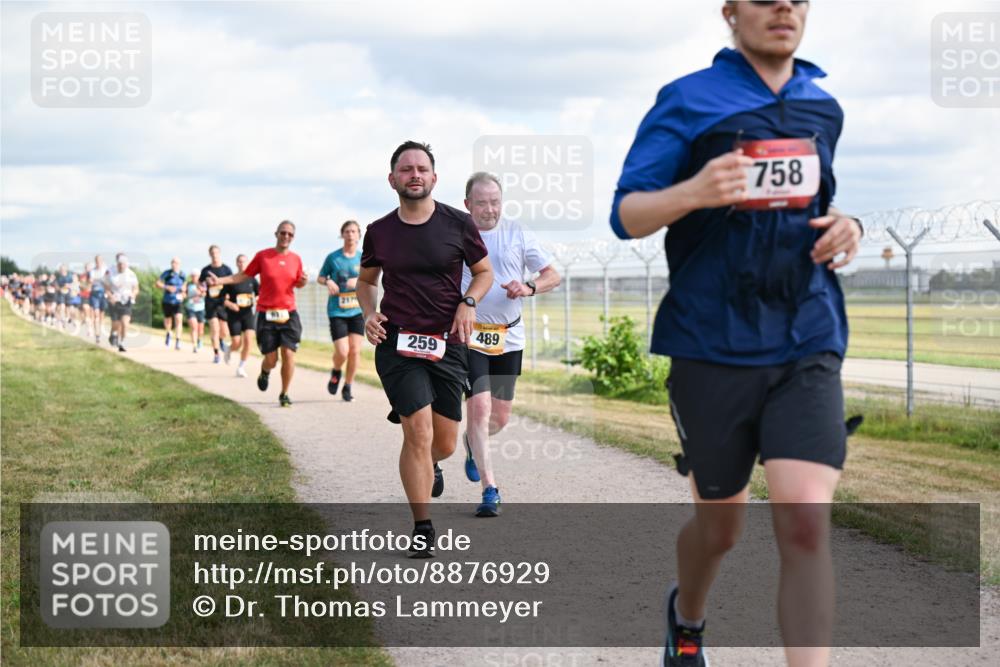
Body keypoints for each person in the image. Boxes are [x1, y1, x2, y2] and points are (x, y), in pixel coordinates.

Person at [611, 2, 864, 666]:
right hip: (710, 341)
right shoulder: (690, 99)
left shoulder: (822, 106)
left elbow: (817, 205)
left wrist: (849, 227)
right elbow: (628, 213)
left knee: (805, 521)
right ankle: (687, 618)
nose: (785, 6)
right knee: (721, 529)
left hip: (806, 332)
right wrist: (693, 191)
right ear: (729, 12)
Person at [358, 141, 493, 557]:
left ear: (434, 178)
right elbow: (366, 282)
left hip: (447, 344)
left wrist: (468, 303)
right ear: (392, 179)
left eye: (421, 168)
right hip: (397, 342)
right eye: (405, 169)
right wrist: (368, 313)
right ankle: (422, 526)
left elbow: (483, 272)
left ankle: (432, 463)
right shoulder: (379, 231)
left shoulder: (458, 224)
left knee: (445, 442)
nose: (414, 174)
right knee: (416, 430)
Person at [460, 172, 561, 517]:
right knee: (480, 407)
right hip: (470, 336)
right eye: (482, 202)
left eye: (495, 202)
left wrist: (529, 288)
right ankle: (491, 489)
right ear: (467, 204)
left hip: (509, 336)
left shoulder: (517, 232)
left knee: (500, 418)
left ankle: (473, 444)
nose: (490, 209)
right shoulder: (459, 234)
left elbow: (552, 274)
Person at [207, 221, 307, 407]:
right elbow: (242, 276)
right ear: (276, 233)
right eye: (283, 233)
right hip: (266, 313)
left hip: (289, 312)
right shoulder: (263, 256)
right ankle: (265, 371)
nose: (286, 237)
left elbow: (298, 283)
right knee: (271, 359)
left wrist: (303, 281)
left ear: (293, 237)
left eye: (290, 234)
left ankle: (284, 393)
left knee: (288, 353)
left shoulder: (296, 259)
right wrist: (218, 280)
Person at [318, 220, 364, 402]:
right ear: (342, 234)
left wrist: (358, 281)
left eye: (354, 231)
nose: (350, 234)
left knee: (355, 351)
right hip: (337, 311)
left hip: (357, 310)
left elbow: (372, 279)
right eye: (347, 231)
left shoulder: (363, 257)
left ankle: (348, 386)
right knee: (343, 352)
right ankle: (336, 370)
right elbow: (321, 277)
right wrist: (328, 281)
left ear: (359, 235)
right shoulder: (333, 258)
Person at [222, 254, 259, 377]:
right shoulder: (231, 280)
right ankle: (229, 349)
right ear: (236, 263)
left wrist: (257, 300)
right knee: (237, 343)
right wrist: (231, 304)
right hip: (234, 315)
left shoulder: (252, 279)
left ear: (248, 263)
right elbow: (222, 299)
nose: (242, 264)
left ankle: (241, 367)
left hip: (248, 314)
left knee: (248, 340)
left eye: (244, 262)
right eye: (239, 261)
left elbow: (259, 294)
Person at [199, 245, 232, 364]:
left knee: (225, 331)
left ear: (219, 253)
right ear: (209, 254)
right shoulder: (205, 270)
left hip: (222, 303)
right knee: (214, 329)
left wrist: (229, 295)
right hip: (210, 303)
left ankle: (221, 341)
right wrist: (203, 288)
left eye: (216, 252)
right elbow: (200, 284)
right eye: (212, 253)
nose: (214, 255)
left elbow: (231, 283)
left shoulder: (226, 269)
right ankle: (216, 354)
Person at [104, 253, 140, 353]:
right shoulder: (110, 272)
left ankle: (123, 342)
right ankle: (113, 334)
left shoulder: (131, 274)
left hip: (127, 301)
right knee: (116, 323)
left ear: (126, 264)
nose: (122, 266)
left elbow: (136, 288)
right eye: (120, 264)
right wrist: (110, 296)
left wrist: (133, 294)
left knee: (124, 322)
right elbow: (106, 287)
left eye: (124, 264)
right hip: (114, 300)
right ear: (117, 264)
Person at [156, 257, 186, 350]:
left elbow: (185, 286)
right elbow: (157, 283)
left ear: (179, 264)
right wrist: (166, 287)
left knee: (178, 319)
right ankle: (168, 333)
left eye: (176, 263)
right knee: (168, 320)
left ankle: (178, 340)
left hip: (178, 301)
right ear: (171, 264)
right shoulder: (167, 273)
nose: (174, 264)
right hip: (167, 300)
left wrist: (184, 292)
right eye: (173, 262)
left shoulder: (182, 274)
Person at [88, 256, 109, 344]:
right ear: (95, 262)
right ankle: (97, 335)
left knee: (101, 314)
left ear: (102, 261)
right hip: (95, 294)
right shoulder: (92, 271)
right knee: (96, 314)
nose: (98, 262)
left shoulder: (106, 270)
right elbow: (90, 281)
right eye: (97, 261)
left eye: (100, 261)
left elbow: (108, 281)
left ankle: (100, 329)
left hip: (103, 294)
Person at [184, 276, 206, 352]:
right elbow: (184, 294)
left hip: (200, 308)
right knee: (194, 327)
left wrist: (201, 293)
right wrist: (185, 296)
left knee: (200, 329)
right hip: (190, 308)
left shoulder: (203, 284)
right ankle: (194, 346)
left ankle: (199, 339)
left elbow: (206, 294)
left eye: (196, 276)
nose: (194, 277)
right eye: (193, 276)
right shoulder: (188, 285)